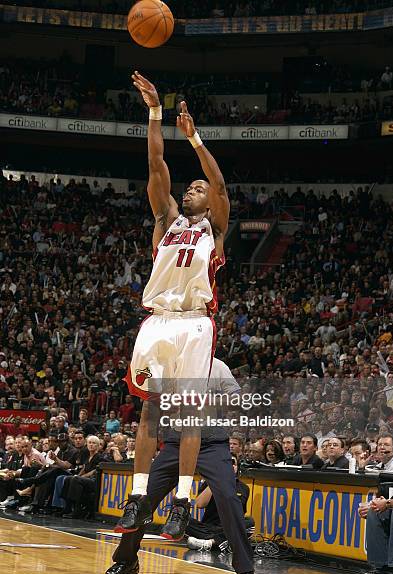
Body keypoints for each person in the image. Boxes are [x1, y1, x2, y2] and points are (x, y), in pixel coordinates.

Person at [116, 72, 229, 541]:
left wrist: (196, 139)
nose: (192, 189)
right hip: (157, 320)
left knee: (186, 415)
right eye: (190, 187)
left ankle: (181, 504)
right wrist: (155, 112)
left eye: (197, 188)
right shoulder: (166, 219)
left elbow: (221, 186)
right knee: (148, 412)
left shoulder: (215, 230)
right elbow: (156, 163)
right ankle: (139, 498)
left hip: (195, 324)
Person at [106, 358, 259, 574]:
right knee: (144, 497)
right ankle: (126, 560)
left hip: (212, 443)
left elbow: (239, 400)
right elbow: (152, 410)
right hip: (176, 442)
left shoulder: (217, 366)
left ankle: (245, 571)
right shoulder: (167, 367)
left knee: (229, 498)